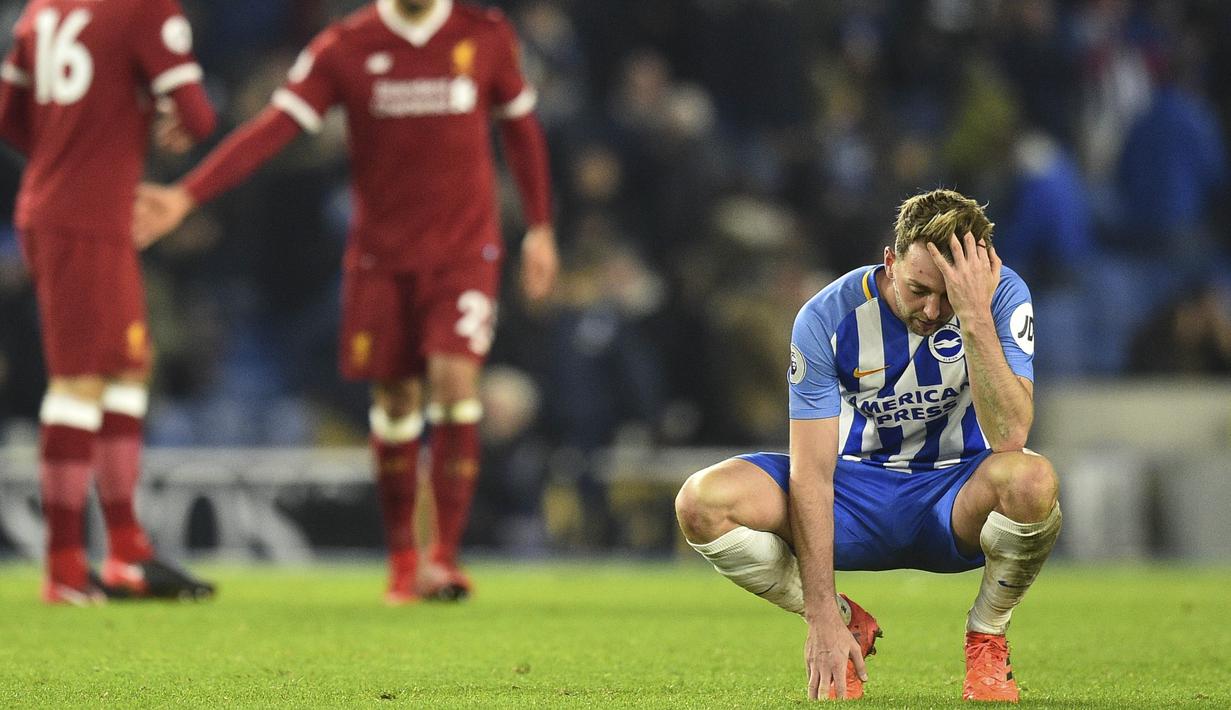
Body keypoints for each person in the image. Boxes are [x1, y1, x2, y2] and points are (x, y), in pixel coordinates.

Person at [133, 0, 557, 604]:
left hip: (463, 254)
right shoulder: (345, 46)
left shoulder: (483, 35)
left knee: (455, 384)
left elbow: (521, 127)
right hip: (379, 261)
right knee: (395, 400)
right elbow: (273, 127)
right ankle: (403, 561)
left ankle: (443, 558)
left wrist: (540, 226)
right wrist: (188, 196)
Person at [675, 188, 1060, 702]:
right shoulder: (826, 316)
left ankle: (987, 635)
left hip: (955, 495)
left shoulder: (1003, 297)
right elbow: (810, 472)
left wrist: (975, 316)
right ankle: (844, 619)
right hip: (853, 493)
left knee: (1033, 480)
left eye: (948, 294)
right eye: (919, 288)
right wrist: (819, 620)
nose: (930, 309)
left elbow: (1010, 436)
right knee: (701, 503)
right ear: (889, 261)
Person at [0, 0, 218, 604]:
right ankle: (66, 567)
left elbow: (8, 117)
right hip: (85, 216)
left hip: (67, 206)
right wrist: (139, 128)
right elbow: (198, 117)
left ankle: (126, 550)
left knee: (128, 367)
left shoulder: (40, 10)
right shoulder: (145, 9)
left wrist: (70, 146)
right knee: (77, 384)